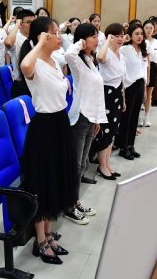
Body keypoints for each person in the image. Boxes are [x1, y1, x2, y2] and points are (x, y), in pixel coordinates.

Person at [19, 16, 76, 264]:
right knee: (43, 185)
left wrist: (45, 44)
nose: (59, 36)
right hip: (44, 128)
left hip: (60, 123)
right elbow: (25, 66)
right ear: (42, 36)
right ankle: (40, 241)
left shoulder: (53, 61)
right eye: (54, 32)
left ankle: (50, 234)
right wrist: (39, 43)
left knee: (57, 181)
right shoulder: (34, 63)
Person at [65, 23, 107, 192]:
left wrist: (98, 119)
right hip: (81, 117)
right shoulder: (77, 62)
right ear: (83, 40)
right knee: (75, 164)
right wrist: (79, 44)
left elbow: (97, 93)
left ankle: (74, 197)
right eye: (93, 37)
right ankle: (71, 200)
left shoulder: (90, 61)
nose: (97, 40)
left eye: (97, 36)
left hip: (91, 117)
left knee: (83, 163)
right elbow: (68, 54)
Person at [95, 23, 127, 179]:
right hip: (106, 93)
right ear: (110, 37)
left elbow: (122, 79)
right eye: (116, 36)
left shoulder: (121, 55)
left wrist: (123, 99)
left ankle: (107, 163)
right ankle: (101, 165)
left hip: (117, 93)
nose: (120, 39)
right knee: (106, 131)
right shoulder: (104, 51)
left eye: (122, 36)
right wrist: (107, 41)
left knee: (113, 130)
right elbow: (100, 58)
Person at [117, 22, 148, 160]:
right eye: (136, 34)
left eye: (141, 34)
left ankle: (130, 145)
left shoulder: (143, 50)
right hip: (129, 85)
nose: (140, 36)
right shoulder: (125, 49)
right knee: (126, 117)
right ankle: (122, 147)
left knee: (135, 116)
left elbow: (144, 71)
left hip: (140, 84)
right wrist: (123, 40)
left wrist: (145, 90)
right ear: (130, 35)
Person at [6, 9, 36, 98]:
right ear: (21, 23)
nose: (32, 25)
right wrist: (16, 26)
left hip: (35, 81)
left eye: (34, 22)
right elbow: (8, 43)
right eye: (29, 22)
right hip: (21, 83)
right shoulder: (16, 37)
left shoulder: (36, 38)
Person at [142, 19, 157, 127]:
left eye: (151, 28)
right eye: (146, 28)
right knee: (141, 94)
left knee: (149, 94)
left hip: (153, 67)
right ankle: (138, 118)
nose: (149, 30)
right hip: (142, 67)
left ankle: (146, 117)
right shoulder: (140, 41)